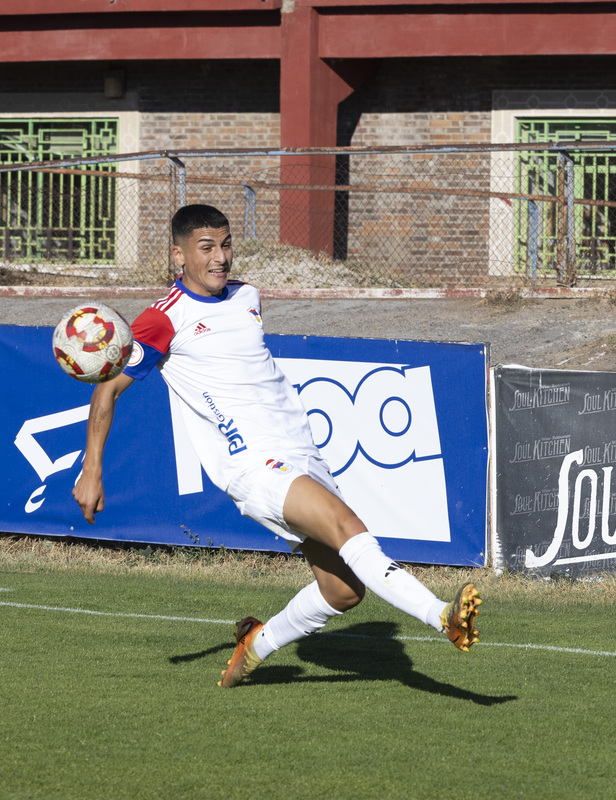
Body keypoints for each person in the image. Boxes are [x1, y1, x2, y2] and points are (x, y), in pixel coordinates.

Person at [73, 204, 481, 687]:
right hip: (253, 465)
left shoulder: (248, 296)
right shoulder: (163, 320)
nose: (220, 257)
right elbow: (108, 389)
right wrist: (92, 470)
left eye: (225, 245)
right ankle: (442, 617)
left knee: (344, 590)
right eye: (206, 248)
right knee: (348, 525)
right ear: (178, 254)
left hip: (301, 451)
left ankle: (257, 646)